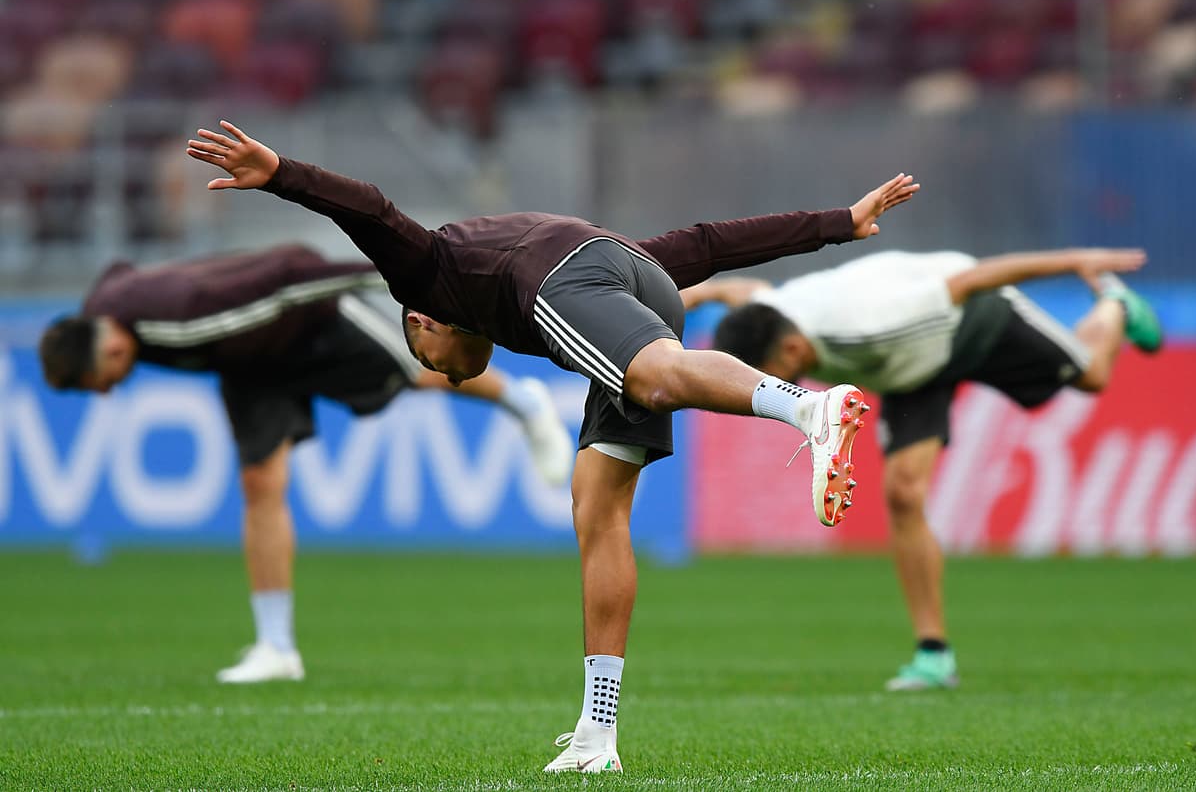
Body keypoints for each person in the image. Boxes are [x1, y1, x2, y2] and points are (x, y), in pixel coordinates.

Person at [185, 119, 920, 773]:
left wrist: (279, 174)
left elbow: (369, 208)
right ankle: (598, 733)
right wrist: (836, 223)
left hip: (562, 282)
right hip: (639, 275)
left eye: (436, 365)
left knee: (657, 377)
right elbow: (706, 244)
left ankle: (808, 409)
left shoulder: (425, 274)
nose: (451, 375)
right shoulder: (494, 281)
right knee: (597, 511)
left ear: (421, 322)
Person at [39, 243, 574, 684]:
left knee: (423, 370)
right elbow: (119, 270)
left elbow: (289, 276)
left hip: (310, 318)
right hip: (250, 362)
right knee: (259, 484)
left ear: (111, 351)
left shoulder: (184, 320)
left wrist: (400, 272)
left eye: (101, 384)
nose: (107, 393)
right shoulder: (99, 312)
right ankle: (276, 648)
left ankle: (524, 404)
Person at [685, 247, 1163, 692]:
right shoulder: (766, 314)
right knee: (904, 495)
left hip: (973, 319)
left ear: (791, 350)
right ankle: (934, 655)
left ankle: (1116, 304)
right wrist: (686, 299)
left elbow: (973, 279)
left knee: (1092, 374)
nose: (775, 389)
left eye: (774, 378)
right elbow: (733, 290)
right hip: (912, 370)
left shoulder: (871, 327)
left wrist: (1075, 261)